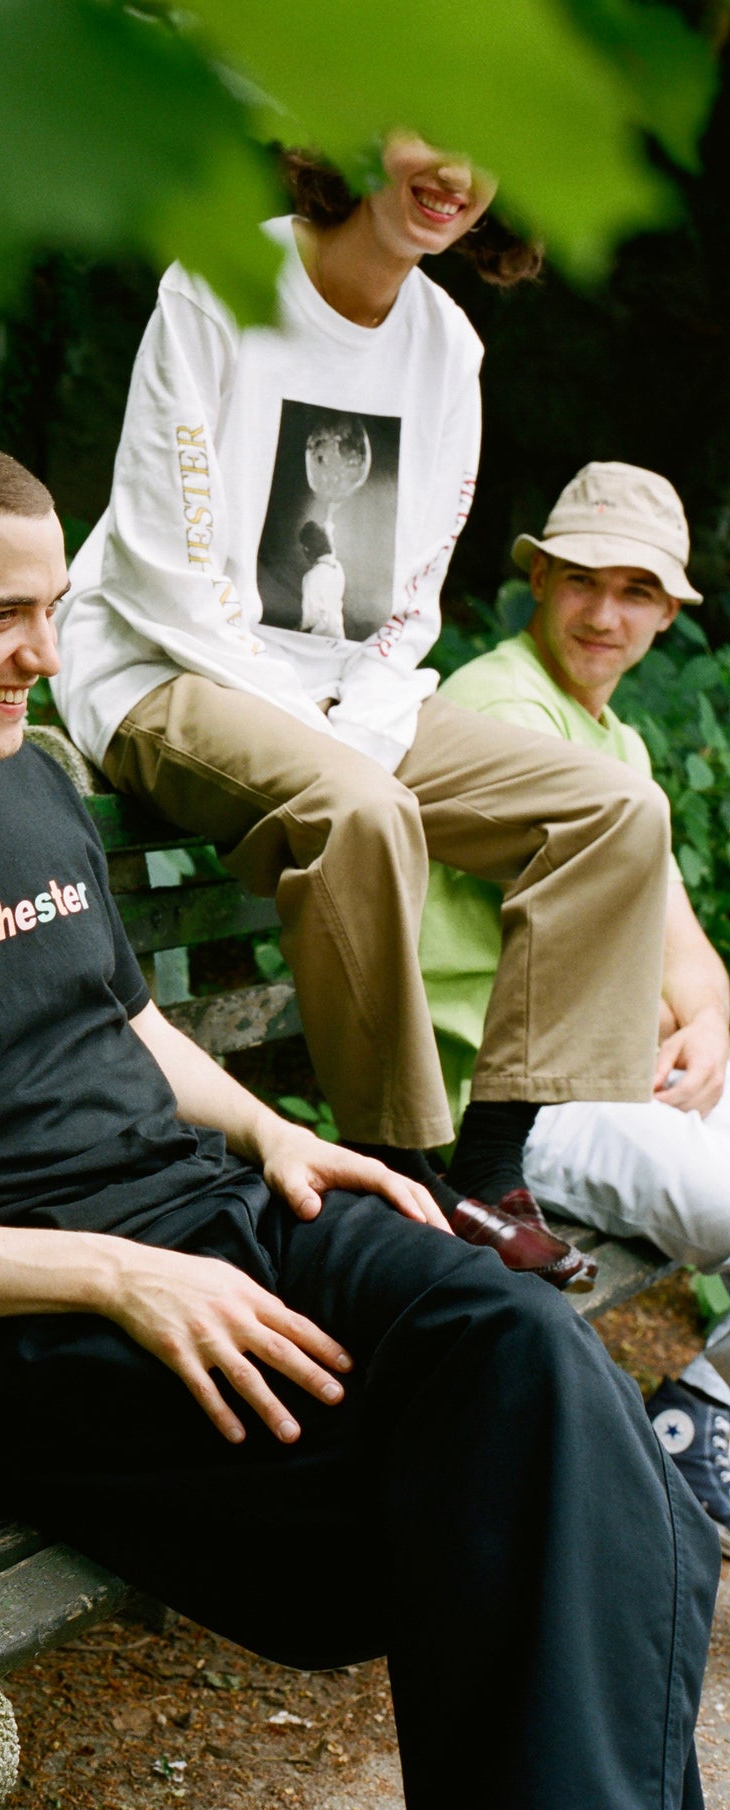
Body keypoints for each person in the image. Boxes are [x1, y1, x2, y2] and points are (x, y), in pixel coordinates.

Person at [0, 426, 719, 1810]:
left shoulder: (28, 781)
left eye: (55, 610)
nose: (44, 654)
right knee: (560, 1494)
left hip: (223, 1218)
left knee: (535, 1354)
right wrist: (116, 1274)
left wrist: (274, 1133)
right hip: (40, 1335)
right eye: (1, 616)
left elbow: (124, 1019)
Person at [50, 133, 676, 1291]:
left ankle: (493, 1169)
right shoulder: (222, 282)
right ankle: (405, 1172)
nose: (458, 173)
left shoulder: (447, 348)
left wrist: (357, 718)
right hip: (165, 669)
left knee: (615, 812)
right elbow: (164, 568)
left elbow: (412, 598)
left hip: (348, 703)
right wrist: (324, 735)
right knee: (364, 805)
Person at [416, 459, 730, 1545]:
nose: (605, 615)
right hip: (508, 1107)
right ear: (540, 578)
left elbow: (688, 960)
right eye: (584, 581)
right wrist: (671, 1020)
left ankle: (704, 1414)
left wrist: (708, 1025)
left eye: (636, 592)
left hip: (602, 1073)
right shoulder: (498, 710)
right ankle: (702, 1421)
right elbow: (605, 959)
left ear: (669, 613)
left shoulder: (615, 741)